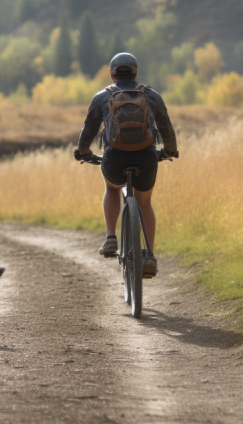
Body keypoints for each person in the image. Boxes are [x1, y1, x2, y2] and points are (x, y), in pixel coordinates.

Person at [73, 52, 178, 277]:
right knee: (145, 202)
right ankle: (149, 254)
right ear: (136, 73)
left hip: (115, 158)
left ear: (112, 75)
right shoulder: (151, 95)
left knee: (112, 187)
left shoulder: (103, 96)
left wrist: (83, 151)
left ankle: (111, 237)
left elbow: (89, 127)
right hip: (146, 158)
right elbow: (166, 126)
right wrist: (169, 150)